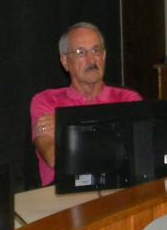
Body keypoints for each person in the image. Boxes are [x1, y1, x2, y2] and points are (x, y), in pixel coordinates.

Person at [29, 22, 141, 187]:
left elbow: (138, 153)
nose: (91, 60)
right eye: (81, 52)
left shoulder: (128, 99)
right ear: (65, 61)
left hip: (117, 189)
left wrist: (66, 125)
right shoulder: (45, 101)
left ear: (104, 56)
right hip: (62, 196)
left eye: (96, 51)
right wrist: (112, 131)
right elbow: (54, 158)